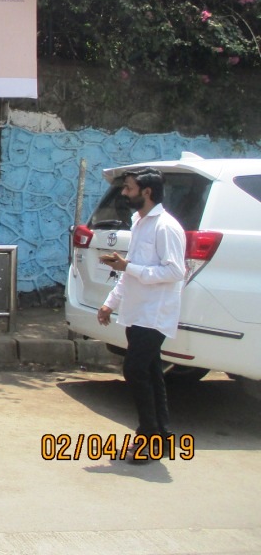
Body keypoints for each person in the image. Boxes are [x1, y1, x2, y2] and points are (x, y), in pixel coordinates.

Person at [97, 167, 186, 462]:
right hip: (137, 312)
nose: (124, 193)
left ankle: (147, 436)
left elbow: (175, 271)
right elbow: (129, 268)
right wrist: (111, 302)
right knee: (149, 372)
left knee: (135, 371)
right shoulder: (139, 222)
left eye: (129, 188)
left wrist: (129, 268)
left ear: (147, 192)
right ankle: (161, 434)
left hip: (155, 313)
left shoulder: (166, 226)